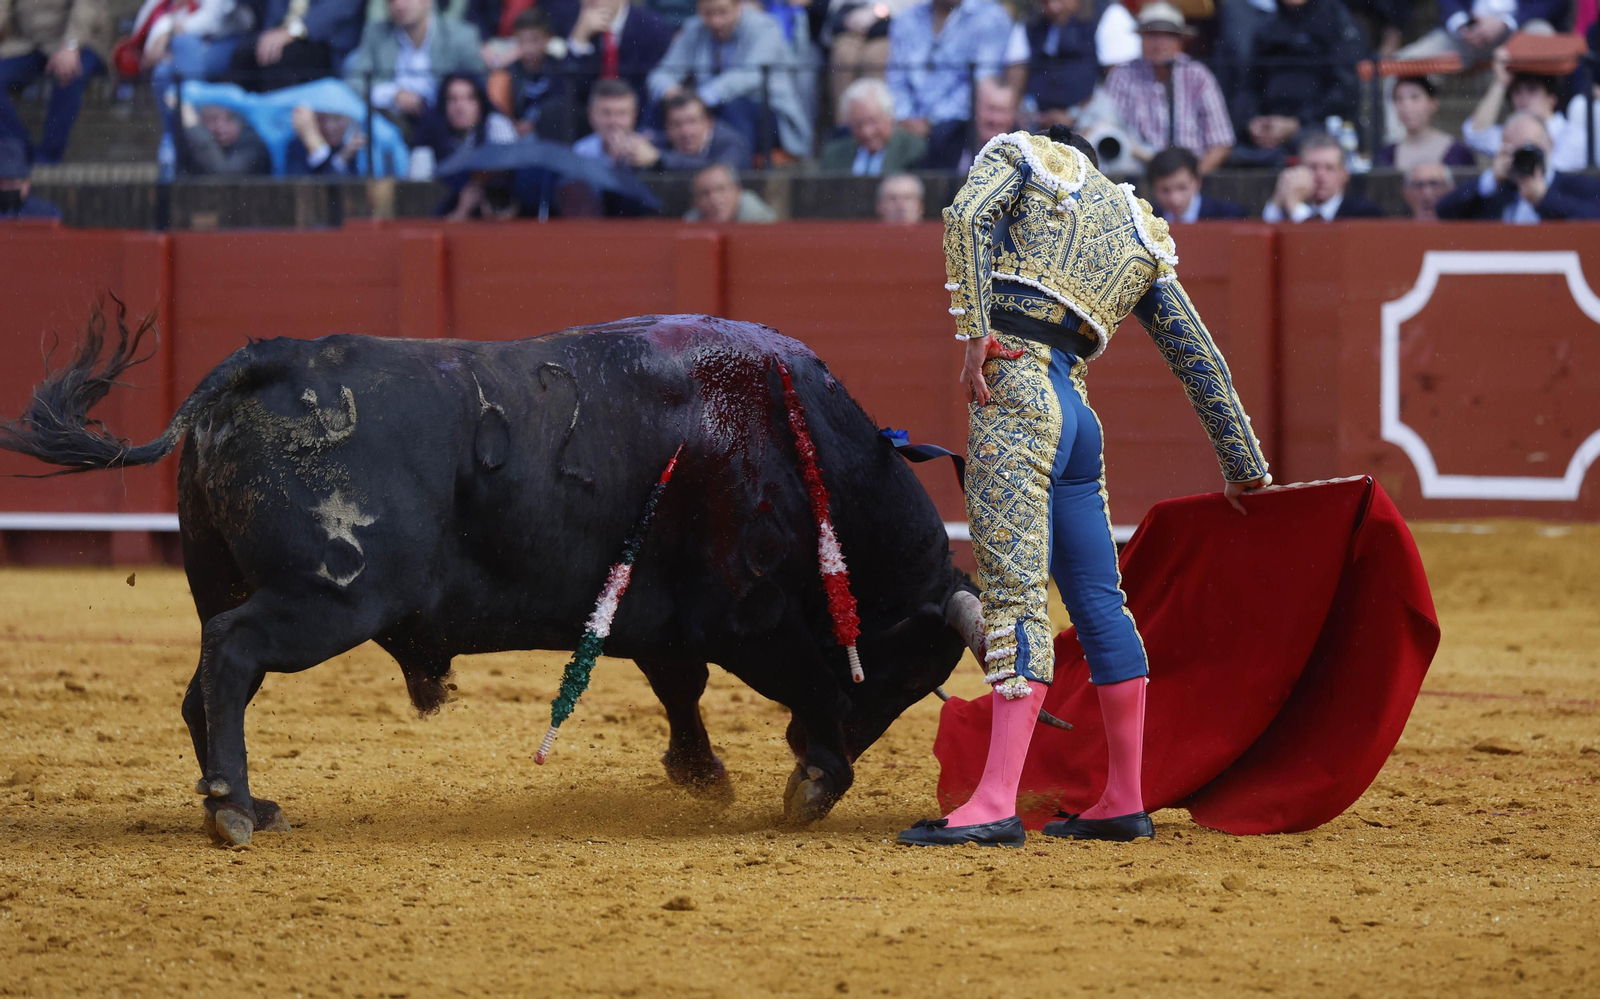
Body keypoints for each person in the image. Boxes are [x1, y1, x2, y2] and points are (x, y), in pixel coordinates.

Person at [898, 126, 1269, 848]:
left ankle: (997, 800)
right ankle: (1123, 797)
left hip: (1015, 388)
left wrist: (974, 330)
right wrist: (1244, 462)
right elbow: (1200, 360)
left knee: (1013, 595)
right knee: (1102, 601)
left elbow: (969, 217)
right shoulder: (1139, 227)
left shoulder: (1023, 156)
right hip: (1077, 415)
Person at [646, 0, 812, 159]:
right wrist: (669, 90)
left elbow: (750, 76)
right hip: (708, 107)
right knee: (664, 102)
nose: (716, 21)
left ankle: (738, 173)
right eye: (708, 13)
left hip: (768, 117)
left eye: (722, 12)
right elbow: (662, 73)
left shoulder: (765, 27)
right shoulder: (694, 27)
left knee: (735, 106)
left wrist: (699, 99)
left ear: (738, 6)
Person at [1103, 2, 1232, 174]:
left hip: (1188, 179)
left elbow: (1221, 143)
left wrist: (1188, 181)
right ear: (1141, 38)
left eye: (1167, 35)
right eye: (1151, 34)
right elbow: (1105, 128)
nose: (1159, 43)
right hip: (1134, 177)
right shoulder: (1122, 76)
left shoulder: (1199, 76)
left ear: (1181, 40)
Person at [1238, 0, 1364, 160]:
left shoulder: (1335, 20)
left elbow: (1345, 89)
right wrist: (1253, 121)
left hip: (1318, 124)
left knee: (1313, 150)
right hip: (1270, 126)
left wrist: (1297, 122)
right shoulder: (1267, 25)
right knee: (1236, 156)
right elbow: (1249, 85)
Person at [343, 0, 486, 127]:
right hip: (391, 121)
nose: (399, 5)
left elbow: (478, 84)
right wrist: (393, 94)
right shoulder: (376, 33)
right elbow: (355, 81)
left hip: (444, 122)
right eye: (391, 1)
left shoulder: (461, 36)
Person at [1436, 111, 1600, 221]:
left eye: (1530, 149)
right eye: (1514, 151)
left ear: (1550, 145)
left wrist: (1545, 198)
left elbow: (1592, 218)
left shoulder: (1578, 186)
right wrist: (1491, 180)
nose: (1523, 158)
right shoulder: (1495, 191)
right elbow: (1444, 211)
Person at [884, 0, 1012, 140]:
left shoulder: (991, 17)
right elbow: (896, 78)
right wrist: (905, 116)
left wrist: (932, 121)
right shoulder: (906, 18)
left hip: (960, 125)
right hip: (906, 124)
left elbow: (982, 84)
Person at [0, 0, 109, 164]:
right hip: (28, 45)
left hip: (81, 41)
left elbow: (87, 6)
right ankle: (20, 148)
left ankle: (48, 157)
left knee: (68, 75)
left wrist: (71, 45)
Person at [413, 73, 517, 215]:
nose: (460, 107)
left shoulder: (496, 126)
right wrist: (462, 210)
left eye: (470, 99)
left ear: (480, 102)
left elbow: (508, 169)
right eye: (453, 99)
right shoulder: (434, 133)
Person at [557, 0, 675, 120]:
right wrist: (578, 40)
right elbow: (561, 89)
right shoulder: (569, 23)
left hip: (639, 120)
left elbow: (649, 90)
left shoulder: (653, 28)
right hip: (586, 121)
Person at [226, 0, 365, 92]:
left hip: (324, 41)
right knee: (243, 54)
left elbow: (334, 11)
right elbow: (275, 13)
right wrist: (269, 36)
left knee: (280, 58)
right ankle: (245, 126)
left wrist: (291, 32)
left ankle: (279, 126)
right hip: (282, 34)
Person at [1463, 53, 1572, 166]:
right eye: (1517, 92)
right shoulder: (1510, 134)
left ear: (1551, 98)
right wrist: (1501, 82)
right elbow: (1475, 134)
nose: (1523, 98)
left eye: (1532, 90)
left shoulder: (1569, 132)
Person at [1393, 0, 1568, 66]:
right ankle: (1398, 146)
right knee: (1399, 66)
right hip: (1465, 34)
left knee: (1545, 41)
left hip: (1520, 31)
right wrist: (1462, 23)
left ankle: (1539, 136)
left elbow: (1552, 3)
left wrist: (1505, 23)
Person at [1012, 0, 1099, 128]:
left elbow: (1114, 86)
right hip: (1037, 124)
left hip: (1089, 124)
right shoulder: (1029, 22)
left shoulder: (1105, 17)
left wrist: (1074, 115)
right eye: (1045, 2)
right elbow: (1014, 83)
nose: (1053, 7)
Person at [1262, 131, 1384, 221]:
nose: (1320, 175)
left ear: (1344, 174)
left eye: (1329, 168)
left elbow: (1320, 245)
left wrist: (1295, 207)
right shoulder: (1288, 207)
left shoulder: (1363, 212)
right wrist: (1277, 200)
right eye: (1312, 167)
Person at [820, 76, 926, 175]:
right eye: (858, 124)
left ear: (889, 116)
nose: (867, 132)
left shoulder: (913, 150)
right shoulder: (834, 155)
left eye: (873, 121)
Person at [1377, 76, 1478, 171]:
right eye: (1399, 99)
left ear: (1433, 103)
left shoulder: (1458, 151)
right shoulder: (1387, 154)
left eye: (1415, 97)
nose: (1406, 106)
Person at [503, 7, 575, 140]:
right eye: (522, 41)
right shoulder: (510, 71)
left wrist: (535, 124)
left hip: (548, 133)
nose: (528, 48)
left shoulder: (558, 69)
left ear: (547, 39)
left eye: (534, 40)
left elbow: (561, 106)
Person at [917, 76, 1016, 171]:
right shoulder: (946, 140)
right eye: (990, 109)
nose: (995, 119)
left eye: (1002, 111)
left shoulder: (1025, 152)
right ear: (973, 107)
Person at [645, 91, 750, 170]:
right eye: (677, 125)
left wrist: (661, 159)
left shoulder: (732, 143)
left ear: (709, 122)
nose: (686, 132)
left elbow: (716, 172)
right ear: (666, 128)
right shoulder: (658, 144)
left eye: (692, 122)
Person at [1145, 146, 1246, 222]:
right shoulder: (1145, 220)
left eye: (1182, 188)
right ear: (1153, 188)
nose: (1175, 199)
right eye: (1165, 190)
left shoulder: (1228, 216)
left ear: (1197, 182)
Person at [178, 101, 272, 174]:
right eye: (212, 119)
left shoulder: (252, 145)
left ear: (241, 122)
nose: (220, 128)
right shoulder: (189, 145)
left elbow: (224, 176)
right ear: (200, 119)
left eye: (230, 118)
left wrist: (194, 128)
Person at [285, 103, 366, 174]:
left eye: (337, 118)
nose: (329, 127)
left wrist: (342, 158)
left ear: (348, 119)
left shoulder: (351, 147)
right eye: (321, 119)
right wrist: (318, 149)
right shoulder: (298, 146)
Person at [684, 162, 777, 221]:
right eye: (704, 193)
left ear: (737, 191)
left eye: (721, 189)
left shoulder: (758, 217)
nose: (714, 199)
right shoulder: (691, 222)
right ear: (695, 201)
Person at [0, 137, 59, 219]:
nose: (6, 188)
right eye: (2, 183)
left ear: (26, 183)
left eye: (13, 183)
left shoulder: (46, 214)